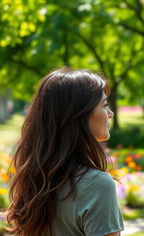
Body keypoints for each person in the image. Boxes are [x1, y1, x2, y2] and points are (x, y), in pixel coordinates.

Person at [6, 68, 124, 236]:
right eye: (104, 105)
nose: (111, 114)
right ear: (77, 115)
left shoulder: (36, 178)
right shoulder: (97, 185)